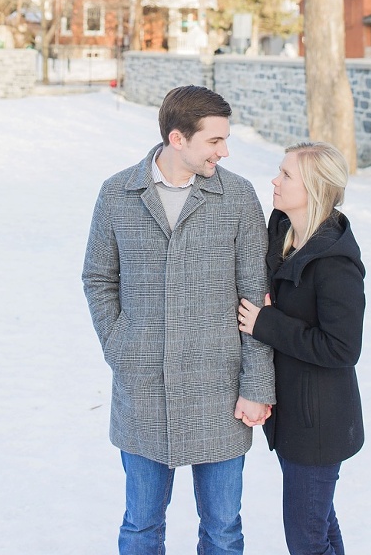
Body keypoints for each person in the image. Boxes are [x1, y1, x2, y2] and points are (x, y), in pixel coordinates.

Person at [82, 84, 275, 555]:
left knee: (223, 530)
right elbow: (98, 279)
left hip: (221, 390)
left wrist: (257, 385)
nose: (224, 151)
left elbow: (257, 296)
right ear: (178, 139)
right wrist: (119, 345)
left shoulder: (238, 197)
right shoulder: (117, 194)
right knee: (141, 526)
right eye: (215, 141)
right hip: (144, 389)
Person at [237, 141, 365, 555]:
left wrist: (266, 323)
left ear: (313, 188)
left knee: (307, 539)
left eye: (287, 175)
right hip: (294, 414)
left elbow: (342, 348)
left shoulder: (335, 264)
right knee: (320, 523)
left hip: (319, 423)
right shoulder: (283, 230)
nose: (275, 180)